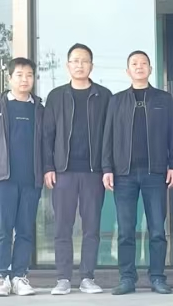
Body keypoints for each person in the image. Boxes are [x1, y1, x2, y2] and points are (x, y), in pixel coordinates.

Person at [102, 51, 173, 295]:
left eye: (143, 63)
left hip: (155, 173)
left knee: (157, 229)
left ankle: (157, 277)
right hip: (124, 174)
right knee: (126, 230)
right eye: (134, 64)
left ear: (150, 69)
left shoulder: (164, 99)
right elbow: (107, 137)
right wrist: (107, 168)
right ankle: (127, 278)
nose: (139, 67)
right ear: (128, 71)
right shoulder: (116, 101)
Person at [42, 43, 112, 295]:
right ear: (67, 65)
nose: (80, 65)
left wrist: (107, 167)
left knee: (91, 227)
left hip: (94, 172)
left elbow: (110, 135)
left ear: (91, 65)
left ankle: (87, 277)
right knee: (63, 226)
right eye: (75, 60)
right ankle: (63, 278)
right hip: (63, 172)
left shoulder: (104, 96)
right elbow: (47, 135)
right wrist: (48, 166)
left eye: (84, 61)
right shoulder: (56, 96)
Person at [0, 57, 45, 297]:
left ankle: (19, 277)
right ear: (9, 78)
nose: (24, 79)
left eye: (29, 75)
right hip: (3, 179)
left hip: (31, 179)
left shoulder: (39, 109)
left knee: (25, 230)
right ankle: (1, 278)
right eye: (19, 75)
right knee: (3, 229)